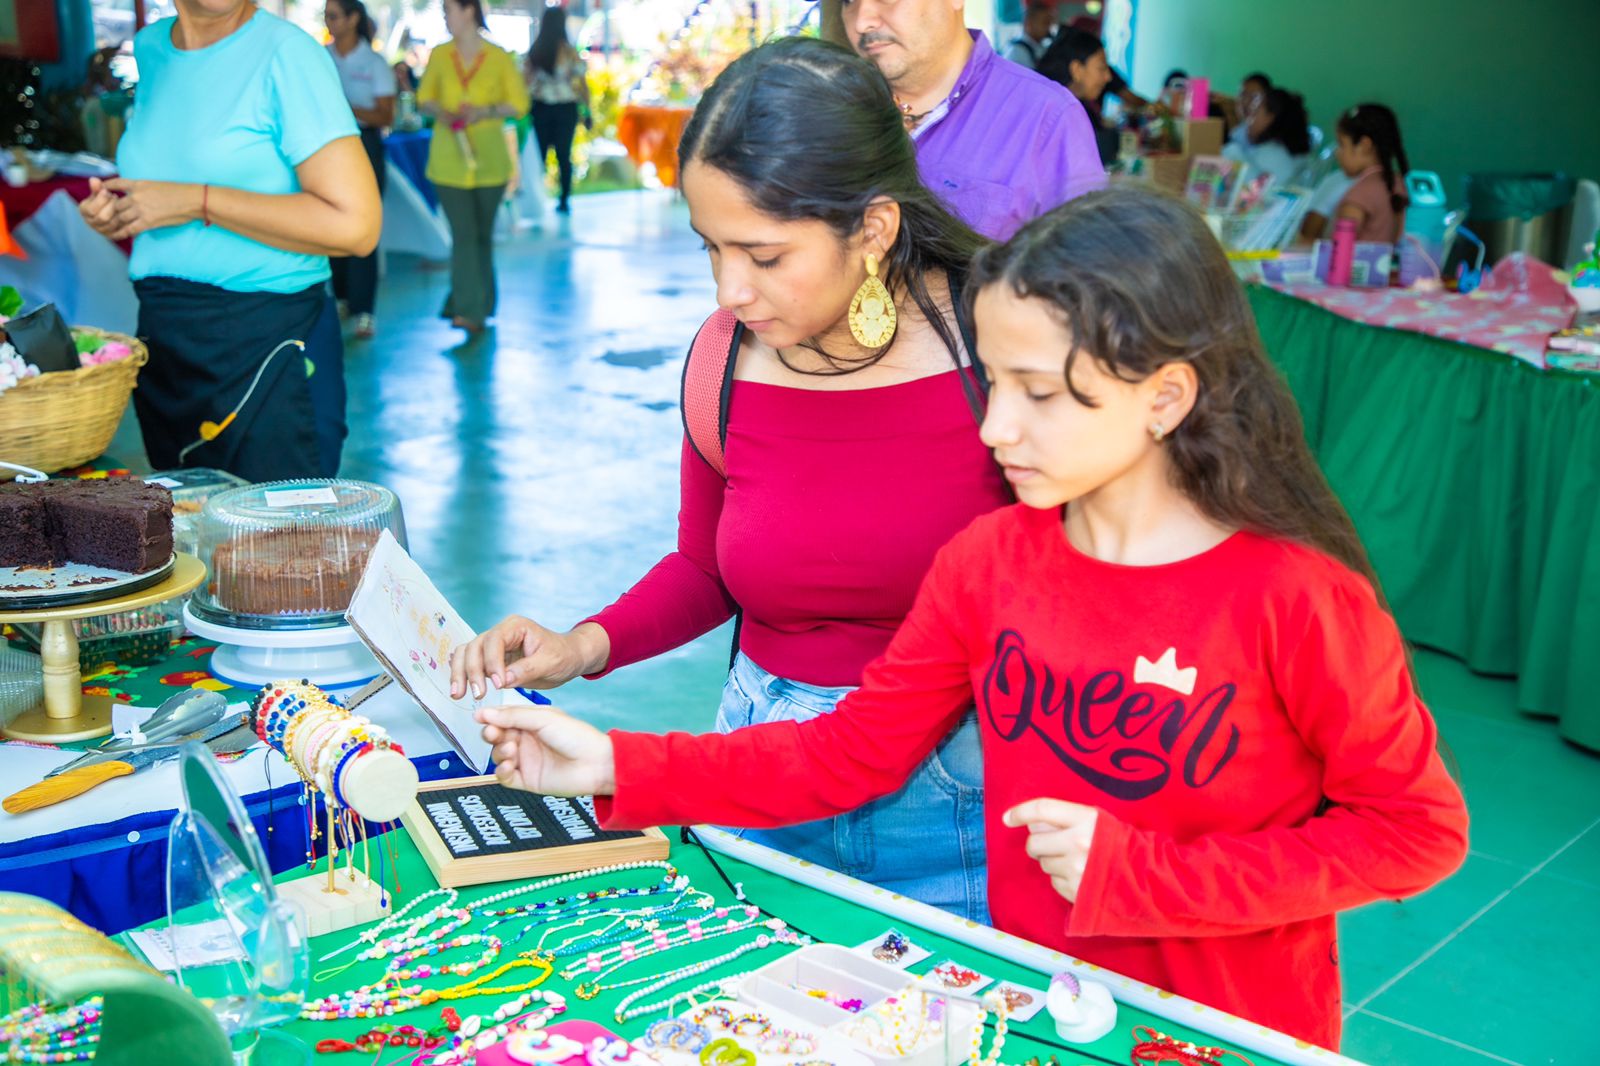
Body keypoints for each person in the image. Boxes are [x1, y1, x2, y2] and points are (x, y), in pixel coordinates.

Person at [471, 186, 1470, 1051]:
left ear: (1164, 395)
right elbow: (844, 755)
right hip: (1032, 1007)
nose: (997, 429)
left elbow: (1416, 832)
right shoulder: (990, 563)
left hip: (1220, 1032)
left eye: (1040, 394)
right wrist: (612, 764)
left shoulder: (1295, 599)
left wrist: (1147, 875)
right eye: (992, 383)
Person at [450, 37, 1012, 923]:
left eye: (764, 254)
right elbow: (709, 566)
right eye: (711, 248)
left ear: (873, 228)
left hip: (963, 805)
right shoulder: (723, 361)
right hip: (754, 780)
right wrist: (583, 645)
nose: (730, 290)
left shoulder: (1005, 355)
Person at [79, 0, 380, 481]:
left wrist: (197, 202)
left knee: (281, 547)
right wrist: (125, 214)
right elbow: (176, 171)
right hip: (169, 339)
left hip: (267, 340)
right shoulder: (153, 48)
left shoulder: (287, 53)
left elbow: (356, 227)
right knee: (192, 543)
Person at [839, 0, 1103, 240]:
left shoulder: (1047, 117)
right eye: (847, 1)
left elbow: (1086, 275)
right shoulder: (833, 109)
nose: (863, 21)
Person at [417, 0, 529, 333]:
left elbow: (520, 104)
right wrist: (443, 112)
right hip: (449, 162)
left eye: (449, 9)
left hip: (489, 163)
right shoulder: (439, 55)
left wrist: (485, 111)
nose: (445, 17)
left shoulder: (498, 57)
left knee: (480, 237)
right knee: (464, 235)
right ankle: (470, 310)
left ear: (469, 11)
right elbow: (424, 98)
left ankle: (476, 300)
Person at [325, 0, 395, 341]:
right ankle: (341, 298)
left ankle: (365, 309)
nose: (330, 21)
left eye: (335, 15)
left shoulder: (374, 63)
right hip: (326, 149)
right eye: (326, 15)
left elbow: (386, 116)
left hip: (365, 145)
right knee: (329, 222)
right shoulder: (321, 58)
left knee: (364, 225)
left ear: (353, 20)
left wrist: (347, 107)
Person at [525, 7, 590, 215]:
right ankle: (563, 199)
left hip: (542, 109)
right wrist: (587, 111)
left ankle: (538, 199)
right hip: (564, 109)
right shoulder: (568, 52)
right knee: (563, 155)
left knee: (541, 155)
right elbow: (582, 85)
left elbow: (525, 83)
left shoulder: (536, 51)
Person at [1326, 103, 1410, 243]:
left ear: (1365, 145)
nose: (1337, 153)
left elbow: (1339, 251)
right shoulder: (1400, 184)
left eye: (1341, 144)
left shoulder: (1359, 196)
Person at [1035, 29, 1117, 165]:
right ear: (1077, 69)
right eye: (1101, 68)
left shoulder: (1076, 107)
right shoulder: (1057, 117)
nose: (1108, 77)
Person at [1221, 87, 1310, 188]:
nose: (1248, 122)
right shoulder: (1284, 151)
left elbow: (1250, 192)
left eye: (1254, 114)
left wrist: (1232, 153)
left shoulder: (1273, 155)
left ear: (1271, 118)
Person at [1004, 3, 1054, 70]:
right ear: (1028, 24)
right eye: (1045, 22)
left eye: (1050, 23)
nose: (1049, 27)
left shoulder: (1041, 48)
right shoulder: (1017, 52)